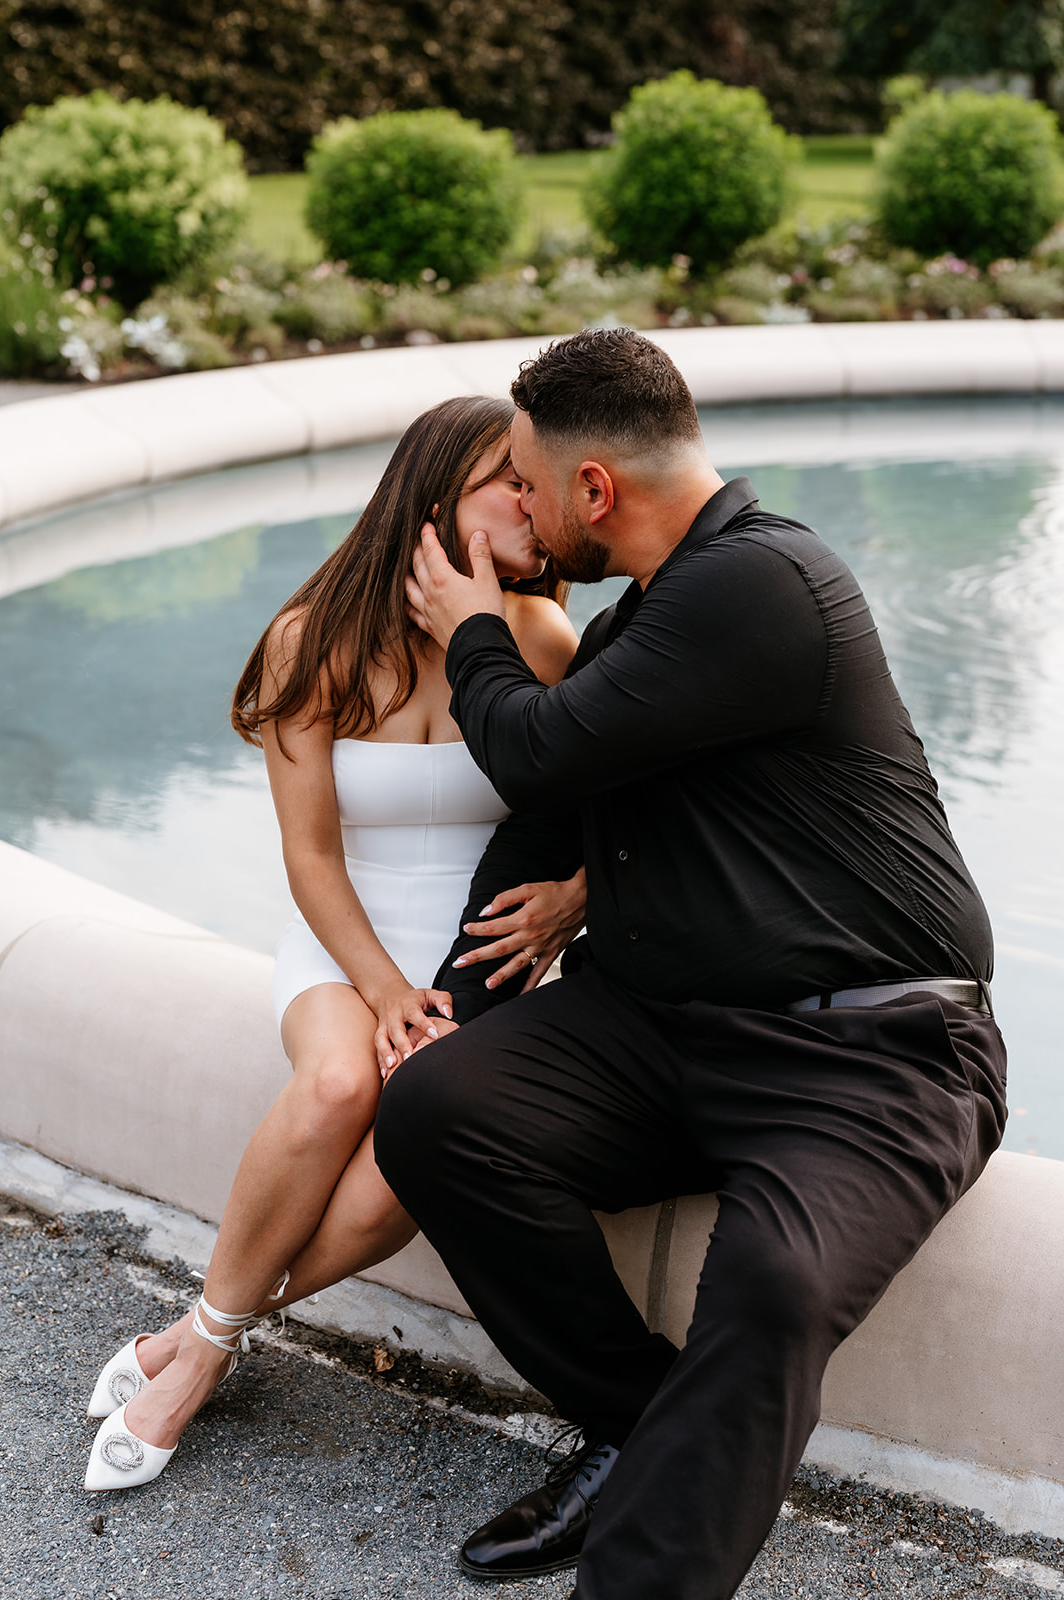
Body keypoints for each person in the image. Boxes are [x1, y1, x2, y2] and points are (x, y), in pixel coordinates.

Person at [376, 329, 1008, 1600]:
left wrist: (473, 626)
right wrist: (439, 1010)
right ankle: (642, 1423)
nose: (525, 515)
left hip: (870, 1054)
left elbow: (537, 754)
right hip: (666, 1028)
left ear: (594, 489)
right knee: (442, 1110)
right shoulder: (643, 633)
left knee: (769, 1283)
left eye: (528, 483)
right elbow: (538, 840)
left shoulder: (764, 581)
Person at [83, 395, 583, 1492]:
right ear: (442, 493)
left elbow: (614, 805)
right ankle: (203, 1356)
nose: (535, 503)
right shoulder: (307, 643)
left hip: (470, 966)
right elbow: (310, 857)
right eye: (513, 479)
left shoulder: (540, 639)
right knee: (333, 1087)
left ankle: (196, 1336)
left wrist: (566, 902)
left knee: (388, 1178)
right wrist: (383, 988)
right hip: (346, 942)